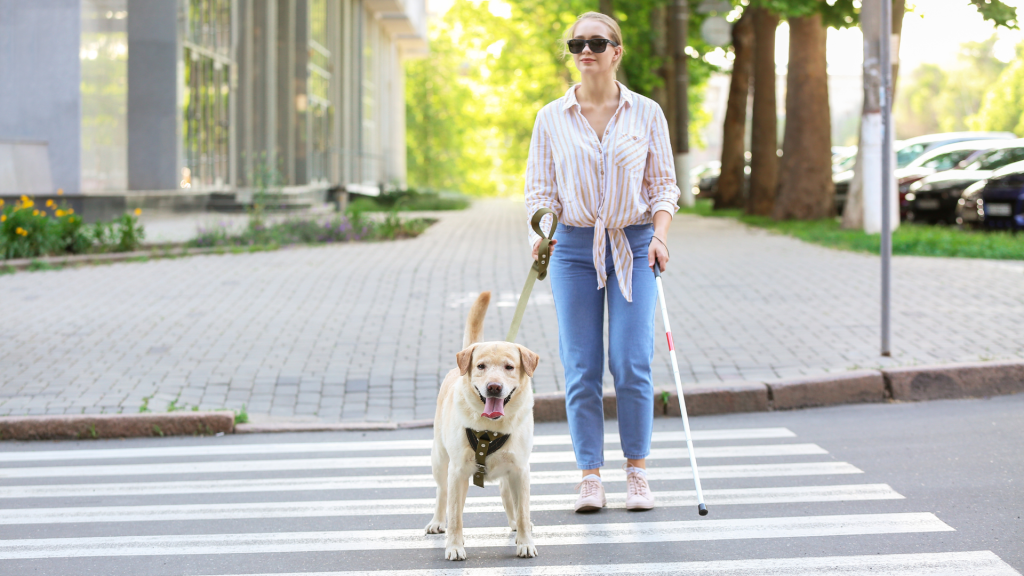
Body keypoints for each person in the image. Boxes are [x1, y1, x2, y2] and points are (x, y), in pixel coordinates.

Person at [524, 11, 680, 513]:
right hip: (571, 249)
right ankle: (590, 475)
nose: (585, 50)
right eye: (576, 44)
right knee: (581, 366)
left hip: (633, 245)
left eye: (597, 42)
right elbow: (540, 190)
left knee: (631, 362)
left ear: (617, 52)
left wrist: (658, 236)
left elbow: (663, 186)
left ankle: (636, 471)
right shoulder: (551, 118)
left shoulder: (647, 113)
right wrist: (543, 231)